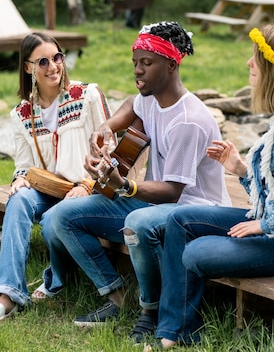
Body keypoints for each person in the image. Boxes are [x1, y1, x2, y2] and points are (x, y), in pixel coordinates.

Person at [151, 23, 274, 349]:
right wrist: (241, 169)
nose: (248, 63)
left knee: (197, 252)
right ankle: (174, 331)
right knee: (180, 220)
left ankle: (176, 329)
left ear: (273, 66)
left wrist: (265, 223)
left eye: (255, 57)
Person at [39, 21, 231, 342]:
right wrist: (106, 129)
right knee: (61, 215)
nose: (138, 71)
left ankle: (151, 309)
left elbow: (172, 191)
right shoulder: (151, 98)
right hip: (153, 203)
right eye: (135, 63)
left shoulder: (188, 121)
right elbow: (132, 103)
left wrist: (125, 185)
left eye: (147, 63)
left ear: (171, 64)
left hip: (194, 213)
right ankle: (115, 296)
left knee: (137, 221)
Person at [0, 32, 111, 327]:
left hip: (89, 189)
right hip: (51, 189)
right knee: (19, 198)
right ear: (28, 68)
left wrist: (88, 184)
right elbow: (23, 165)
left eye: (58, 57)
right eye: (44, 62)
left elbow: (111, 149)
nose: (54, 67)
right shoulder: (22, 114)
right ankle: (7, 295)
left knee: (53, 221)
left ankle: (55, 279)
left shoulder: (86, 95)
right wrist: (19, 180)